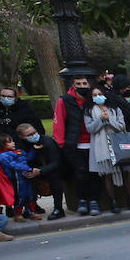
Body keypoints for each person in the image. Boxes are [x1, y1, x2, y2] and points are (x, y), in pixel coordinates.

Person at [52, 74, 99, 215]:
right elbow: (58, 122)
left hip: (94, 143)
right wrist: (62, 144)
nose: (82, 86)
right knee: (80, 173)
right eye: (78, 83)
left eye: (85, 83)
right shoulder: (64, 101)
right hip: (75, 145)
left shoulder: (93, 99)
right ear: (73, 85)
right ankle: (82, 200)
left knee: (94, 174)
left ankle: (94, 200)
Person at [85, 86, 130, 213]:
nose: (98, 97)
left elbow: (121, 126)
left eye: (100, 94)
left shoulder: (115, 109)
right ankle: (113, 202)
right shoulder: (89, 111)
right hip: (101, 147)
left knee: (125, 173)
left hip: (118, 143)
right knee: (107, 175)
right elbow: (90, 129)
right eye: (94, 95)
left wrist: (109, 120)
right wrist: (100, 120)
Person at [15, 122, 65, 219]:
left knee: (55, 177)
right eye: (29, 135)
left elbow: (56, 162)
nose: (34, 136)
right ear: (21, 137)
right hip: (32, 169)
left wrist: (40, 170)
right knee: (23, 179)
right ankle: (31, 207)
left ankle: (58, 208)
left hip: (50, 169)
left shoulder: (47, 141)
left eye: (34, 132)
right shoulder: (21, 145)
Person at [0, 133, 42, 221]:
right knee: (20, 196)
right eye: (9, 142)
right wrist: (29, 169)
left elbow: (27, 158)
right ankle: (18, 214)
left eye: (12, 141)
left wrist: (34, 150)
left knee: (30, 195)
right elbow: (14, 165)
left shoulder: (18, 151)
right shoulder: (3, 155)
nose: (13, 143)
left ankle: (31, 212)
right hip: (16, 179)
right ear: (2, 145)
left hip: (25, 177)